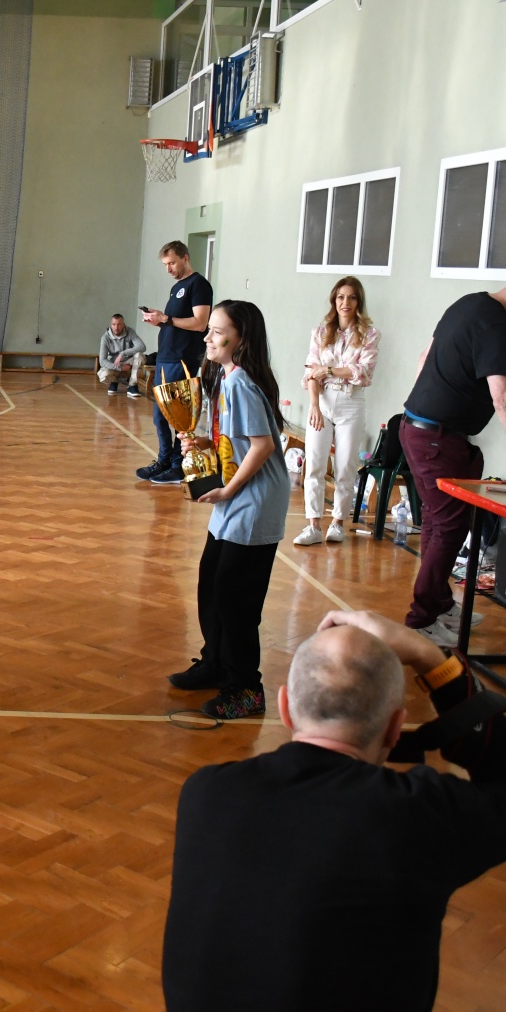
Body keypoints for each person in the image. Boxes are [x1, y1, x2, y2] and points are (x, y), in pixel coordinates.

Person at [163, 610, 506, 1012]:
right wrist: (431, 659)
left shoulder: (206, 793)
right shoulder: (417, 815)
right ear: (395, 728)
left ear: (285, 708)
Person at [401, 270, 506, 647]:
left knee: (439, 523)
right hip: (435, 438)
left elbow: (425, 358)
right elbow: (503, 398)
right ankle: (421, 619)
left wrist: (424, 408)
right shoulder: (496, 324)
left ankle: (439, 604)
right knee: (448, 527)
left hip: (421, 429)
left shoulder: (468, 304)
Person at [166, 301, 290, 718]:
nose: (208, 337)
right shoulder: (226, 377)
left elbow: (262, 446)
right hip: (235, 495)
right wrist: (204, 443)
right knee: (211, 584)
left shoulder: (240, 383)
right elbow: (236, 438)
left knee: (236, 598)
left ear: (240, 340)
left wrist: (227, 490)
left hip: (254, 501)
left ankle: (246, 688)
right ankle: (216, 663)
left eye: (217, 332)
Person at [295, 277, 380, 546]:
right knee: (315, 464)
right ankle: (313, 526)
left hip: (351, 402)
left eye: (352, 297)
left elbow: (363, 373)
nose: (346, 302)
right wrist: (314, 406)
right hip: (322, 401)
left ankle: (338, 523)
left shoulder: (369, 334)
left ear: (358, 302)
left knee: (345, 466)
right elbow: (311, 373)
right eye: (341, 297)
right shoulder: (321, 332)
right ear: (334, 300)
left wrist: (329, 370)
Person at [137, 241, 212, 485]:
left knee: (177, 415)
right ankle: (165, 460)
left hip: (183, 358)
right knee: (159, 415)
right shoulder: (177, 287)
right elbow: (175, 322)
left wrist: (166, 318)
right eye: (165, 265)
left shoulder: (198, 284)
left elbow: (200, 323)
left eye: (172, 263)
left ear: (185, 258)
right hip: (166, 356)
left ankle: (179, 466)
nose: (168, 269)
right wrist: (159, 321)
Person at [97, 313, 145, 398]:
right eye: (114, 324)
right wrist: (120, 368)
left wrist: (123, 354)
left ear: (123, 325)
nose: (116, 327)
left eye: (119, 324)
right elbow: (102, 361)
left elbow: (142, 346)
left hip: (128, 363)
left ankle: (132, 385)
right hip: (115, 365)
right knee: (103, 375)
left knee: (140, 356)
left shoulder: (130, 332)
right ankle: (114, 381)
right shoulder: (105, 338)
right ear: (111, 325)